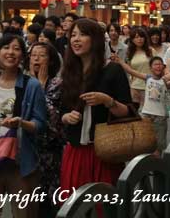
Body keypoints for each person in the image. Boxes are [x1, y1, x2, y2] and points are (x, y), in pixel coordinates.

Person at [0, 34, 47, 218]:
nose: (10, 52)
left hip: (20, 161)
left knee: (24, 213)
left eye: (16, 48)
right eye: (6, 47)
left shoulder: (32, 86)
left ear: (22, 56)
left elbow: (40, 124)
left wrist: (21, 123)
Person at [58, 18, 132, 201]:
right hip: (75, 151)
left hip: (105, 151)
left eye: (82, 34)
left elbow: (129, 112)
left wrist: (108, 101)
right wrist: (67, 117)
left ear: (96, 39)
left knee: (103, 206)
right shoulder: (69, 72)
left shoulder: (112, 70)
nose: (76, 39)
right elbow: (61, 112)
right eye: (73, 35)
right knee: (75, 205)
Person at [26, 42, 63, 218]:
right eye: (33, 55)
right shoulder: (23, 80)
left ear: (51, 60)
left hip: (50, 149)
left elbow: (54, 117)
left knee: (49, 198)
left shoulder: (57, 83)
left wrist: (40, 86)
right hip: (28, 147)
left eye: (42, 55)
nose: (37, 59)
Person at [115, 55, 169, 155]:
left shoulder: (166, 80)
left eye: (160, 64)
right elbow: (131, 71)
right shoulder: (148, 78)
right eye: (155, 64)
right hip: (146, 114)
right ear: (151, 67)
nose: (158, 66)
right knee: (145, 143)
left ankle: (156, 167)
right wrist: (121, 61)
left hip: (160, 116)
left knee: (158, 146)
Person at [126, 27, 153, 107]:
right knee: (136, 113)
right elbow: (129, 70)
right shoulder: (129, 53)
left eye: (141, 37)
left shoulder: (150, 51)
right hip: (134, 86)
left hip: (149, 86)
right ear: (132, 40)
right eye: (136, 37)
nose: (139, 39)